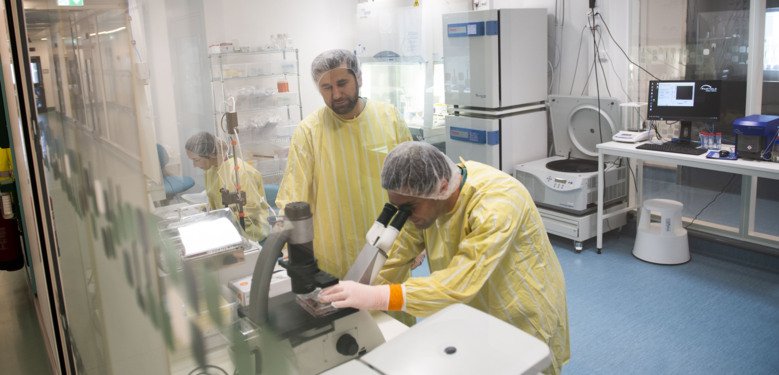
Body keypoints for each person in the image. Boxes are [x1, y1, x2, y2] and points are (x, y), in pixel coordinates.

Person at [319, 141, 570, 375]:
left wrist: (377, 296)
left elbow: (456, 286)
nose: (405, 216)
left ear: (441, 187)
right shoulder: (427, 199)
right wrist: (351, 296)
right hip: (471, 312)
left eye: (409, 208)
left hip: (518, 313)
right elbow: (395, 256)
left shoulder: (497, 204)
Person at [275, 49, 412, 279]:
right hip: (333, 256)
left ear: (359, 77)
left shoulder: (389, 118)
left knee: (390, 300)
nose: (336, 94)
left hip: (390, 250)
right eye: (327, 87)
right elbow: (293, 200)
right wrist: (290, 251)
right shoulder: (308, 132)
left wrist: (417, 241)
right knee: (343, 302)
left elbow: (412, 184)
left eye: (342, 83)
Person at [185, 131, 271, 242]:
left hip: (250, 231)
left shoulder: (240, 172)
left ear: (210, 155)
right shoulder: (210, 170)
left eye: (196, 160)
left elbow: (250, 212)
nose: (194, 165)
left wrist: (221, 226)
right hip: (225, 225)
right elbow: (214, 201)